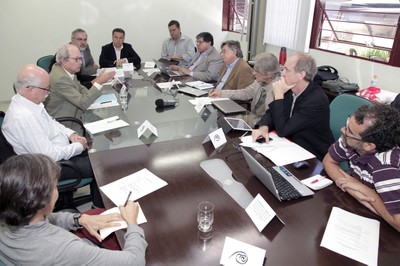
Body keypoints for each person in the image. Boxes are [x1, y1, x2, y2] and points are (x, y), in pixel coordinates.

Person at [0, 154, 147, 265]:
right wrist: (132, 224)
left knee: (92, 215)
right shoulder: (65, 248)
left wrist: (78, 219)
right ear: (42, 201)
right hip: (71, 256)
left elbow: (44, 219)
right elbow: (134, 261)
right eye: (55, 186)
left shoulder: (9, 214)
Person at [2, 64, 104, 208]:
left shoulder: (31, 103)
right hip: (47, 169)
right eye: (46, 89)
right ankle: (97, 209)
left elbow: (53, 123)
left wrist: (71, 134)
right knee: (100, 164)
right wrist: (77, 147)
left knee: (98, 151)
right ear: (30, 89)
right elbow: (48, 156)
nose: (49, 92)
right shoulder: (23, 118)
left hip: (60, 152)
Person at [323, 104, 400, 232]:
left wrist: (368, 193)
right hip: (366, 211)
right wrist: (353, 189)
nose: (343, 130)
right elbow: (328, 161)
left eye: (349, 132)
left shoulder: (385, 169)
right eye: (347, 124)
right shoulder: (350, 141)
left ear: (368, 146)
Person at [252, 52, 334, 161]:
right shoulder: (290, 89)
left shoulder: (315, 100)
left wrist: (278, 95)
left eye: (287, 70)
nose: (282, 74)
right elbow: (272, 113)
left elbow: (283, 130)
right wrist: (264, 127)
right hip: (290, 145)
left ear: (301, 75)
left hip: (312, 154)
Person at [45, 44, 115, 129]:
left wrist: (90, 94)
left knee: (108, 124)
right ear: (64, 61)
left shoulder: (66, 71)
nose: (80, 62)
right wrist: (98, 83)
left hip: (78, 115)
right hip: (66, 124)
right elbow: (83, 103)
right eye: (76, 59)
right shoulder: (60, 78)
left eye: (80, 58)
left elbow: (81, 89)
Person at [209, 52, 279, 117]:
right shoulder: (258, 82)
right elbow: (245, 93)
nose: (253, 73)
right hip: (252, 119)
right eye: (254, 70)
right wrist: (221, 93)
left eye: (257, 71)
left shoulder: (278, 88)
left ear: (269, 74)